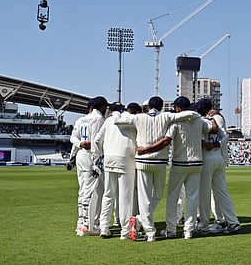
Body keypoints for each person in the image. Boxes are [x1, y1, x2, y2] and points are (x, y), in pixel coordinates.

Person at [115, 96, 200, 242]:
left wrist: (118, 112)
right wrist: (195, 113)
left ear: (148, 106)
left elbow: (118, 121)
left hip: (143, 162)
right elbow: (191, 114)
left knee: (145, 198)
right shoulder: (167, 116)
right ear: (161, 106)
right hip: (160, 162)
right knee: (158, 195)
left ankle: (150, 233)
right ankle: (145, 223)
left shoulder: (139, 117)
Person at [138, 96, 214, 240]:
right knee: (192, 198)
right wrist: (212, 115)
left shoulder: (176, 122)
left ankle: (171, 229)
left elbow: (166, 140)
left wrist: (146, 149)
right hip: (197, 163)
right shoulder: (199, 121)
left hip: (180, 163)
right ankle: (188, 231)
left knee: (173, 197)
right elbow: (213, 128)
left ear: (178, 108)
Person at [93, 102, 138, 240]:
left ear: (111, 111)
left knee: (108, 194)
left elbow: (96, 140)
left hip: (109, 159)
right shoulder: (131, 119)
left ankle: (104, 227)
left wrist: (100, 155)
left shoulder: (108, 121)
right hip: (126, 159)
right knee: (125, 197)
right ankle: (124, 231)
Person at [196, 99, 241, 234]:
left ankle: (203, 225)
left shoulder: (200, 121)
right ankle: (233, 222)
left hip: (207, 159)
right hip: (218, 158)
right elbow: (225, 137)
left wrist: (212, 145)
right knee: (221, 192)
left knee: (204, 194)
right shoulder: (216, 118)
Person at [70, 96, 108, 236]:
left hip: (81, 155)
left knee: (83, 189)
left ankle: (81, 223)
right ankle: (88, 225)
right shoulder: (99, 119)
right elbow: (98, 141)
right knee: (92, 191)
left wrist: (78, 146)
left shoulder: (80, 119)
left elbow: (72, 138)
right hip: (92, 156)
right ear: (102, 107)